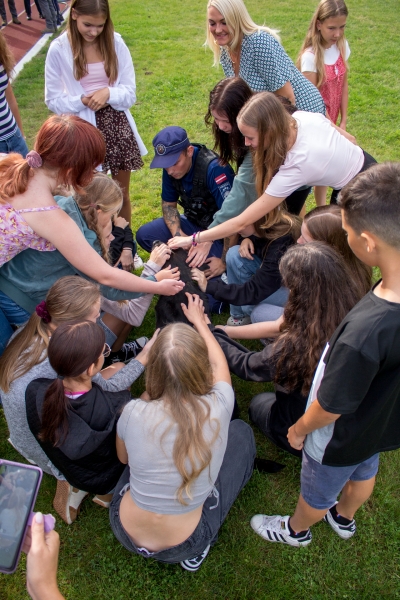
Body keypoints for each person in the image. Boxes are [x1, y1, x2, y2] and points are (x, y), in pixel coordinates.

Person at [250, 162, 400, 547]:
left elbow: (331, 404)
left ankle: (296, 529)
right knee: (365, 472)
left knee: (318, 487)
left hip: (337, 435)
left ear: (368, 242)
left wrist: (300, 430)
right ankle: (344, 517)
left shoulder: (364, 334)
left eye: (346, 230)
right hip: (379, 425)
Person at [0, 114, 184, 350]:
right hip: (17, 296)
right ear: (72, 168)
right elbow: (105, 277)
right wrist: (156, 284)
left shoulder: (11, 164)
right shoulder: (52, 216)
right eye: (90, 166)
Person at [110, 294, 256, 571]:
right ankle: (199, 548)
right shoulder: (221, 404)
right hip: (187, 541)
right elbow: (219, 366)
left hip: (124, 529)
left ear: (154, 372)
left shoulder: (132, 412)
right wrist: (200, 323)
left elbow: (124, 461)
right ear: (200, 369)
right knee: (241, 434)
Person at [0, 276, 161, 523]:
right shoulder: (59, 362)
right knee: (119, 373)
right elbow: (111, 385)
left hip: (27, 438)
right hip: (52, 450)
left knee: (115, 367)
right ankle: (72, 482)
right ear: (74, 324)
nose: (99, 320)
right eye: (96, 317)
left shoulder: (32, 332)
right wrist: (145, 357)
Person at [168, 92, 376, 252]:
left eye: (250, 138)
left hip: (361, 192)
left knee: (344, 251)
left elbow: (241, 220)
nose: (246, 144)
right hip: (368, 166)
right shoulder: (303, 117)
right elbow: (351, 141)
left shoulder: (297, 165)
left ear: (270, 131)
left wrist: (194, 238)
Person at [211, 242, 360, 456]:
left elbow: (248, 365)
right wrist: (224, 331)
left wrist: (210, 332)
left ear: (300, 293)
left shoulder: (297, 345)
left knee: (258, 403)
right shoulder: (353, 311)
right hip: (349, 424)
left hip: (306, 430)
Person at [26, 321, 155, 511]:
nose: (105, 352)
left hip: (74, 471)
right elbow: (124, 456)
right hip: (107, 478)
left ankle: (86, 490)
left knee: (118, 367)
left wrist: (143, 357)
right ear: (90, 369)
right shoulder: (116, 407)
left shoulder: (36, 390)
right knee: (148, 397)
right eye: (103, 351)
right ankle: (108, 495)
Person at [44, 0, 146, 227]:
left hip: (116, 125)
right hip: (81, 132)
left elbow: (130, 93)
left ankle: (124, 245)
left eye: (100, 26)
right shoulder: (59, 49)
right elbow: (52, 100)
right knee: (88, 198)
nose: (94, 32)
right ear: (74, 15)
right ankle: (97, 249)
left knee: (120, 195)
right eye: (88, 25)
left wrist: (108, 93)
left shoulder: (115, 42)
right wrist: (81, 100)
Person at [136, 125, 235, 312]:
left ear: (189, 151)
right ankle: (183, 268)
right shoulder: (170, 170)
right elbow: (168, 206)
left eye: (175, 163)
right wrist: (178, 235)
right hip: (193, 225)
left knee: (210, 302)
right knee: (144, 234)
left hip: (220, 234)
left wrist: (223, 260)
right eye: (165, 165)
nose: (170, 170)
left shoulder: (214, 169)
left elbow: (234, 219)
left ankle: (217, 277)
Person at [251, 204, 372, 324]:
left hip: (312, 326)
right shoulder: (356, 263)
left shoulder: (319, 278)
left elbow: (280, 324)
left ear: (326, 246)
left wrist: (232, 332)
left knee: (259, 313)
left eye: (305, 239)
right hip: (312, 312)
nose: (298, 241)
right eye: (301, 234)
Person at [206, 0, 325, 114]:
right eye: (212, 23)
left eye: (224, 22)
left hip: (303, 111)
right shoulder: (225, 49)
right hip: (270, 115)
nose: (217, 29)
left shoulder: (259, 43)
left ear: (236, 19)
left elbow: (287, 98)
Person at [192, 210, 300, 326]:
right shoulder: (263, 228)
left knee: (258, 313)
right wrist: (245, 240)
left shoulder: (281, 244)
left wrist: (209, 286)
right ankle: (240, 316)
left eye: (240, 222)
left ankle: (255, 316)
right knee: (234, 254)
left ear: (256, 218)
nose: (235, 227)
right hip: (275, 281)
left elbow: (253, 290)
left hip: (295, 294)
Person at [298, 0, 349, 205]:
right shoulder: (310, 58)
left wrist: (343, 120)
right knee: (319, 165)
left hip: (334, 118)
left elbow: (344, 84)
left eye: (342, 27)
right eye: (332, 28)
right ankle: (316, 209)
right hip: (318, 120)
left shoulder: (342, 46)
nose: (337, 33)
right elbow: (312, 101)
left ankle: (322, 207)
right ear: (319, 24)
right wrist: (333, 127)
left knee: (329, 163)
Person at [0, 32, 28, 157]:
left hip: (14, 136)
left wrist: (21, 133)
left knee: (30, 175)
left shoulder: (1, 58)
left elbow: (10, 100)